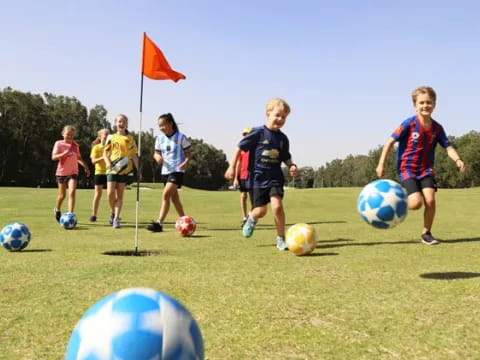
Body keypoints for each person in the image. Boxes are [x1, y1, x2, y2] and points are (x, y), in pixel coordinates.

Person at [376, 86, 465, 245]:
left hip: (426, 170)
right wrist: (381, 164)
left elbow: (448, 147)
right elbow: (390, 142)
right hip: (407, 169)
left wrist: (458, 160)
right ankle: (396, 201)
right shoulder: (409, 124)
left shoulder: (437, 128)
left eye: (429, 102)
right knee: (416, 204)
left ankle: (427, 233)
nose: (425, 106)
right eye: (421, 103)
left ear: (434, 105)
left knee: (430, 201)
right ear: (415, 105)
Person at [224, 98, 298, 251]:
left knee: (277, 207)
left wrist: (292, 165)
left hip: (275, 178)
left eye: (284, 117)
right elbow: (239, 148)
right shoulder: (257, 133)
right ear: (268, 114)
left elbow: (285, 156)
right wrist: (231, 167)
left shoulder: (283, 139)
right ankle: (251, 218)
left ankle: (281, 239)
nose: (280, 119)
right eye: (277, 115)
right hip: (257, 179)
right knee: (261, 211)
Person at [147, 113, 192, 232]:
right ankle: (185, 220)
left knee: (166, 194)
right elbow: (156, 153)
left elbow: (188, 154)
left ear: (170, 123)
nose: (161, 128)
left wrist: (186, 162)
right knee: (174, 199)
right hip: (165, 171)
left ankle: (159, 223)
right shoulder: (159, 139)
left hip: (177, 171)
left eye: (163, 125)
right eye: (159, 126)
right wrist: (157, 157)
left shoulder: (181, 137)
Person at [103, 114, 140, 229]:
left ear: (126, 123)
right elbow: (105, 153)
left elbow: (134, 155)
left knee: (120, 195)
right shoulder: (111, 137)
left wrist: (138, 170)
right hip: (112, 169)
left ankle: (116, 219)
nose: (121, 124)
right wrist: (108, 162)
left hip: (125, 170)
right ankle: (113, 211)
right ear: (115, 123)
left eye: (123, 122)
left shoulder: (130, 138)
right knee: (110, 194)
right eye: (119, 121)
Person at [51, 125, 91, 221]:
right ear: (63, 134)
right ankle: (57, 209)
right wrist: (63, 154)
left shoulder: (75, 145)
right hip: (61, 172)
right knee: (62, 195)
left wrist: (85, 166)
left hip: (73, 172)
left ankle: (70, 215)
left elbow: (79, 158)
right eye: (68, 134)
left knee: (72, 192)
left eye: (72, 135)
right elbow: (53, 157)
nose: (69, 137)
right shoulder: (59, 144)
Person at [233, 127, 253, 228]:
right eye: (244, 134)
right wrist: (236, 178)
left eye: (247, 134)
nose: (246, 136)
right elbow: (238, 164)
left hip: (253, 177)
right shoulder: (241, 150)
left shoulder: (255, 149)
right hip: (242, 176)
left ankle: (250, 216)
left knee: (254, 199)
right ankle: (245, 218)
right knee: (243, 196)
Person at [89, 128, 110, 222]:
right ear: (100, 136)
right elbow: (93, 161)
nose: (106, 136)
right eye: (105, 134)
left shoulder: (111, 146)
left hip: (110, 172)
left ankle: (113, 214)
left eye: (108, 134)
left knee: (111, 195)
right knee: (98, 194)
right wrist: (104, 157)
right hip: (99, 172)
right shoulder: (96, 148)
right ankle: (94, 215)